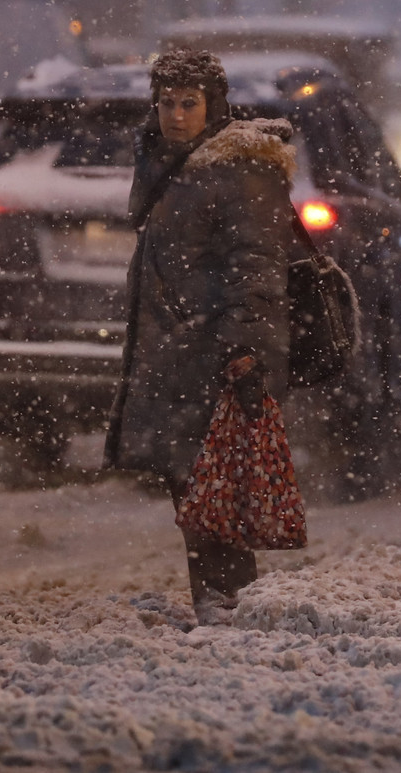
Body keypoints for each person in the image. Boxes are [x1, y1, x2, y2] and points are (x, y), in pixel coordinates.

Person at [104, 48, 294, 625]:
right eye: (166, 102)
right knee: (193, 483)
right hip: (175, 349)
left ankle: (226, 600)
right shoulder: (169, 163)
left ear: (214, 105)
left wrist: (244, 347)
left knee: (211, 484)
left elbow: (256, 265)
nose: (176, 114)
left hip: (213, 351)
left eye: (189, 103)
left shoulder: (238, 169)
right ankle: (218, 599)